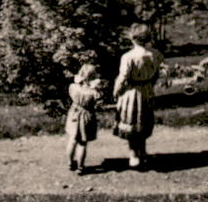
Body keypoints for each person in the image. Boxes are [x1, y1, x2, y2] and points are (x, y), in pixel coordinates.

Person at [113, 24, 164, 169]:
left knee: (132, 123)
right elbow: (160, 72)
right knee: (143, 120)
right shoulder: (155, 54)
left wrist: (116, 91)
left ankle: (134, 154)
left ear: (132, 38)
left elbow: (123, 77)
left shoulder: (128, 57)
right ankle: (142, 151)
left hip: (132, 91)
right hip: (147, 90)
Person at [65, 63, 104, 174]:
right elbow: (99, 103)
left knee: (72, 140)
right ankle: (80, 167)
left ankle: (70, 163)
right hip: (87, 116)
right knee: (82, 142)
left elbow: (72, 93)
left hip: (74, 113)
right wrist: (97, 88)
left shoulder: (73, 87)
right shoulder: (93, 92)